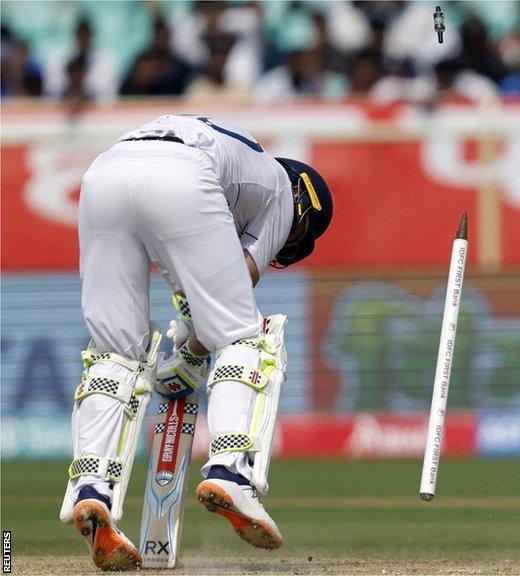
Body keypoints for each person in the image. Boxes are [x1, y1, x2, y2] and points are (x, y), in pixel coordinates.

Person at [60, 114, 332, 570]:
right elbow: (230, 296)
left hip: (104, 173)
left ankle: (92, 492)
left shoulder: (236, 177)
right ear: (306, 210)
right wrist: (192, 355)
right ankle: (230, 472)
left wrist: (187, 353)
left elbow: (190, 293)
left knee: (114, 353)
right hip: (179, 175)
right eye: (295, 240)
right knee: (248, 338)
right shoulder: (286, 192)